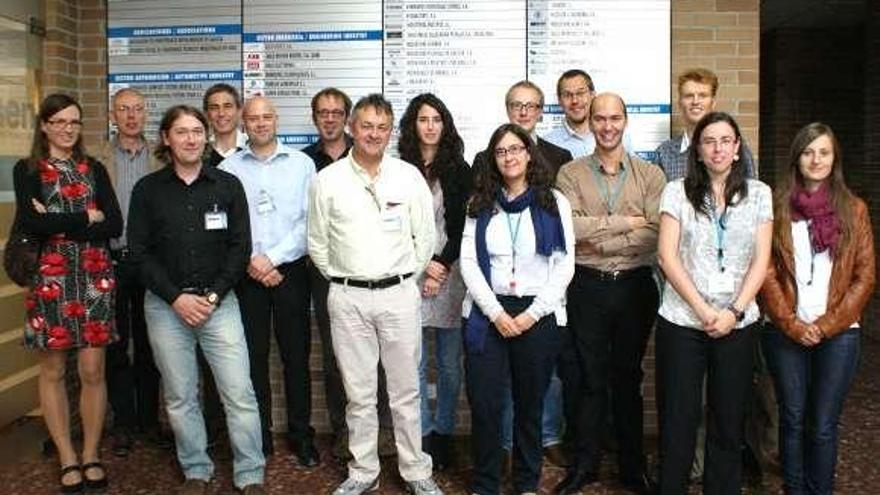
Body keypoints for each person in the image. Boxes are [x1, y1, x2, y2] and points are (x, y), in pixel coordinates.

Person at [127, 105, 266, 495]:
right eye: (181, 131)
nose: (190, 138)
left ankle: (251, 472)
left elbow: (240, 248)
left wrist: (213, 294)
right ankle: (196, 470)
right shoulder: (147, 190)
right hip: (166, 308)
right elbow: (138, 254)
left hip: (219, 305)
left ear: (206, 137)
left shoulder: (227, 185)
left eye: (196, 131)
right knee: (180, 395)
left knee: (239, 393)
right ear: (166, 139)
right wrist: (176, 298)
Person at [308, 94, 441, 495]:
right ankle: (363, 470)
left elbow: (426, 238)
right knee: (359, 392)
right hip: (347, 298)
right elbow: (317, 243)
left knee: (405, 390)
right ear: (352, 127)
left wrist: (403, 279)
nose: (374, 134)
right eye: (366, 126)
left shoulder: (407, 177)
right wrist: (347, 278)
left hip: (399, 295)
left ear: (391, 132)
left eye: (382, 128)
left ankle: (416, 471)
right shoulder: (327, 180)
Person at [554, 93, 666, 495]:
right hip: (586, 287)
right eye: (599, 118)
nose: (606, 126)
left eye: (614, 118)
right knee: (589, 379)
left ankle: (632, 468)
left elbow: (655, 233)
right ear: (591, 122)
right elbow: (571, 231)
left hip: (635, 289)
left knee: (628, 378)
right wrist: (625, 223)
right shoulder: (569, 174)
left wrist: (599, 232)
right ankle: (585, 465)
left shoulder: (651, 175)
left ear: (625, 120)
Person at [654, 111, 772, 495]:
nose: (718, 148)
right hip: (682, 321)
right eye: (709, 142)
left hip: (738, 322)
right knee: (679, 418)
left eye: (726, 141)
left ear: (737, 149)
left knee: (728, 418)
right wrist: (704, 311)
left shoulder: (759, 194)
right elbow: (666, 257)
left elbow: (761, 260)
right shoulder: (676, 191)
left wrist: (733, 311)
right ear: (698, 151)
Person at [759, 122, 875, 495]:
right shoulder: (776, 206)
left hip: (839, 334)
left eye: (824, 152)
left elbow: (865, 276)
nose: (816, 159)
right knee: (792, 418)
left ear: (834, 158)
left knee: (823, 423)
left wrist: (825, 326)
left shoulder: (854, 209)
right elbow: (766, 271)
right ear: (797, 157)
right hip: (784, 330)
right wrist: (792, 324)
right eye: (808, 152)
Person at [15, 93, 122, 492]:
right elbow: (31, 223)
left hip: (95, 278)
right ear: (44, 125)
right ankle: (66, 456)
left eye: (74, 122)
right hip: (49, 279)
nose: (67, 128)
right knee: (54, 370)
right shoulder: (27, 171)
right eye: (58, 121)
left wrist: (58, 221)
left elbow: (113, 224)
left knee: (92, 370)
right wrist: (83, 217)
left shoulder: (93, 168)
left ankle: (91, 452)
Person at [461, 123, 574, 495]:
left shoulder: (553, 202)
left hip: (537, 314)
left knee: (530, 405)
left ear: (529, 153)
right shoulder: (479, 203)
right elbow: (469, 264)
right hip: (486, 313)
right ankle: (486, 482)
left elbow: (564, 265)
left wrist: (531, 314)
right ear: (493, 160)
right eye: (500, 151)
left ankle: (527, 482)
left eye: (515, 149)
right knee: (487, 405)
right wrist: (496, 314)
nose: (509, 157)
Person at [218, 96, 319, 465]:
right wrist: (252, 263)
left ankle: (301, 437)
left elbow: (311, 222)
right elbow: (226, 226)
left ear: (277, 120)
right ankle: (258, 438)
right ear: (244, 124)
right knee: (252, 360)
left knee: (296, 359)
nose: (260, 123)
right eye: (253, 118)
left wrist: (272, 259)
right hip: (245, 275)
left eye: (267, 117)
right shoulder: (228, 168)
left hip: (290, 272)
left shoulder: (302, 164)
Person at [302, 87, 396, 461]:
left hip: (379, 276)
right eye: (322, 113)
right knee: (337, 356)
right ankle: (346, 431)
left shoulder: (386, 165)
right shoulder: (306, 162)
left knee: (383, 358)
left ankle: (384, 431)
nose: (329, 118)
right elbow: (313, 230)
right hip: (332, 277)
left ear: (348, 121)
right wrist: (332, 272)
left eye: (336, 112)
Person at [398, 93, 472, 470]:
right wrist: (422, 267)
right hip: (409, 273)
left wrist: (440, 266)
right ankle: (421, 434)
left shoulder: (460, 170)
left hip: (451, 272)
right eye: (422, 119)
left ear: (445, 125)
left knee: (447, 364)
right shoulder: (397, 169)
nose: (429, 126)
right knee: (413, 361)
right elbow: (393, 228)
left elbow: (463, 228)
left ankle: (443, 434)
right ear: (413, 125)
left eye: (436, 119)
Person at [99, 88, 171, 457]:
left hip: (148, 264)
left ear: (146, 114)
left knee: (150, 345)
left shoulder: (162, 158)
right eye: (124, 109)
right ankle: (123, 423)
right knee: (115, 347)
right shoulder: (97, 158)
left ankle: (149, 421)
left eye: (138, 109)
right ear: (113, 114)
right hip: (109, 262)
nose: (131, 116)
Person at [654, 68, 755, 181]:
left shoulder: (735, 150)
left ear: (713, 103)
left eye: (702, 96)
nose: (695, 102)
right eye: (689, 96)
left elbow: (750, 194)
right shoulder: (664, 153)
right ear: (679, 103)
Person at [543, 69, 597, 157]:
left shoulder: (610, 137)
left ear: (593, 95)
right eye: (567, 95)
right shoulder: (547, 144)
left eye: (580, 93)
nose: (575, 100)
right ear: (560, 100)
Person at [204, 83, 247, 167]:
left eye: (227, 106)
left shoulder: (253, 147)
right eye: (214, 108)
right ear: (206, 114)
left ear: (239, 111)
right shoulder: (199, 151)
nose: (221, 113)